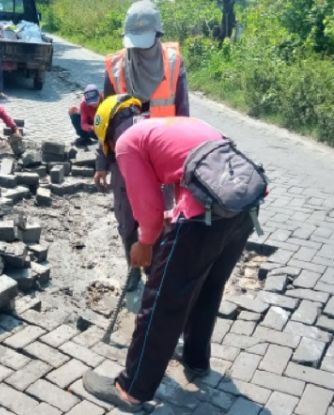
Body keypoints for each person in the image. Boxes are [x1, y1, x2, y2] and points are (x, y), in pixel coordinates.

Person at [83, 96, 254, 411]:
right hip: (243, 208)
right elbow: (193, 176)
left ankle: (131, 389)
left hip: (206, 217)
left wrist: (143, 242)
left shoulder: (127, 143)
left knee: (161, 301)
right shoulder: (175, 124)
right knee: (208, 288)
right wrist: (173, 216)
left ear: (108, 134)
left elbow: (146, 211)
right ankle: (196, 360)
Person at [95, 0, 189, 292]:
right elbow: (105, 117)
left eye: (144, 44)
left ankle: (154, 272)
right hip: (125, 159)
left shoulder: (174, 64)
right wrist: (101, 162)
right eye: (133, 44)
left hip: (161, 159)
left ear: (158, 34)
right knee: (126, 218)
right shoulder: (116, 66)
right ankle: (132, 267)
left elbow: (183, 116)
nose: (138, 50)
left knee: (160, 218)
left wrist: (183, 167)